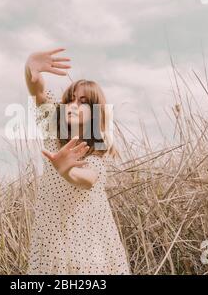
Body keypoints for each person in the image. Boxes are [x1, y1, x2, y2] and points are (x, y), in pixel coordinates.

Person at [25, 47, 131, 275]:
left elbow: (89, 179)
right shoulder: (54, 130)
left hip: (90, 248)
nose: (73, 104)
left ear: (95, 112)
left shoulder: (96, 152)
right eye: (70, 99)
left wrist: (67, 171)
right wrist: (30, 69)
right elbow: (39, 92)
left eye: (83, 101)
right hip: (52, 241)